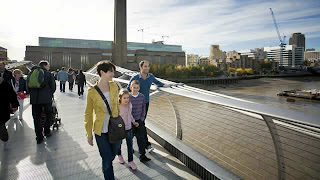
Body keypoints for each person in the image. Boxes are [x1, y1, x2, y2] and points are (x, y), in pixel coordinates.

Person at [84, 61, 120, 180]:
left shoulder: (114, 86)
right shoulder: (92, 91)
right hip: (101, 130)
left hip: (114, 128)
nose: (113, 74)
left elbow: (117, 106)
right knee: (106, 158)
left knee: (112, 154)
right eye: (110, 71)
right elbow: (88, 113)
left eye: (113, 71)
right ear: (102, 72)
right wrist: (89, 134)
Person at [127, 60, 167, 152]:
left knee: (141, 123)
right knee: (134, 124)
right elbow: (128, 89)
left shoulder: (150, 77)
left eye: (148, 66)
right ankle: (145, 145)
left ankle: (142, 145)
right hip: (134, 103)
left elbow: (158, 82)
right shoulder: (135, 77)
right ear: (141, 68)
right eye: (145, 66)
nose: (147, 68)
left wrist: (165, 85)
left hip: (145, 103)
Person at [29, 61, 56, 144]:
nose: (49, 67)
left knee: (36, 118)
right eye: (48, 66)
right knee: (48, 114)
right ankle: (47, 131)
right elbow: (53, 87)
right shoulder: (48, 74)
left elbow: (28, 86)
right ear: (44, 66)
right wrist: (49, 94)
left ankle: (39, 137)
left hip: (34, 100)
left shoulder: (31, 73)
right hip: (46, 99)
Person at [129, 80, 152, 162]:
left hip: (139, 120)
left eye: (137, 88)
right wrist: (132, 121)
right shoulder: (128, 97)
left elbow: (144, 108)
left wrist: (141, 119)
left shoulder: (142, 96)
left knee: (141, 138)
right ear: (130, 87)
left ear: (139, 88)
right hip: (130, 121)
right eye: (134, 88)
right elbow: (127, 110)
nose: (135, 89)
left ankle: (142, 156)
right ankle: (130, 150)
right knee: (130, 138)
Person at [116, 89, 138, 170]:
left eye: (127, 98)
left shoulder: (129, 105)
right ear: (120, 98)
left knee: (130, 144)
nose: (126, 100)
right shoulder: (118, 107)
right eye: (124, 98)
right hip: (120, 129)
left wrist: (133, 122)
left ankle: (130, 161)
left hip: (129, 128)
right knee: (119, 144)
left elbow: (130, 115)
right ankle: (119, 155)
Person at [0, 76, 19, 149]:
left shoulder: (2, 82)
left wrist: (14, 104)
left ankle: (4, 139)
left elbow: (11, 93)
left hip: (2, 107)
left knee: (1, 125)